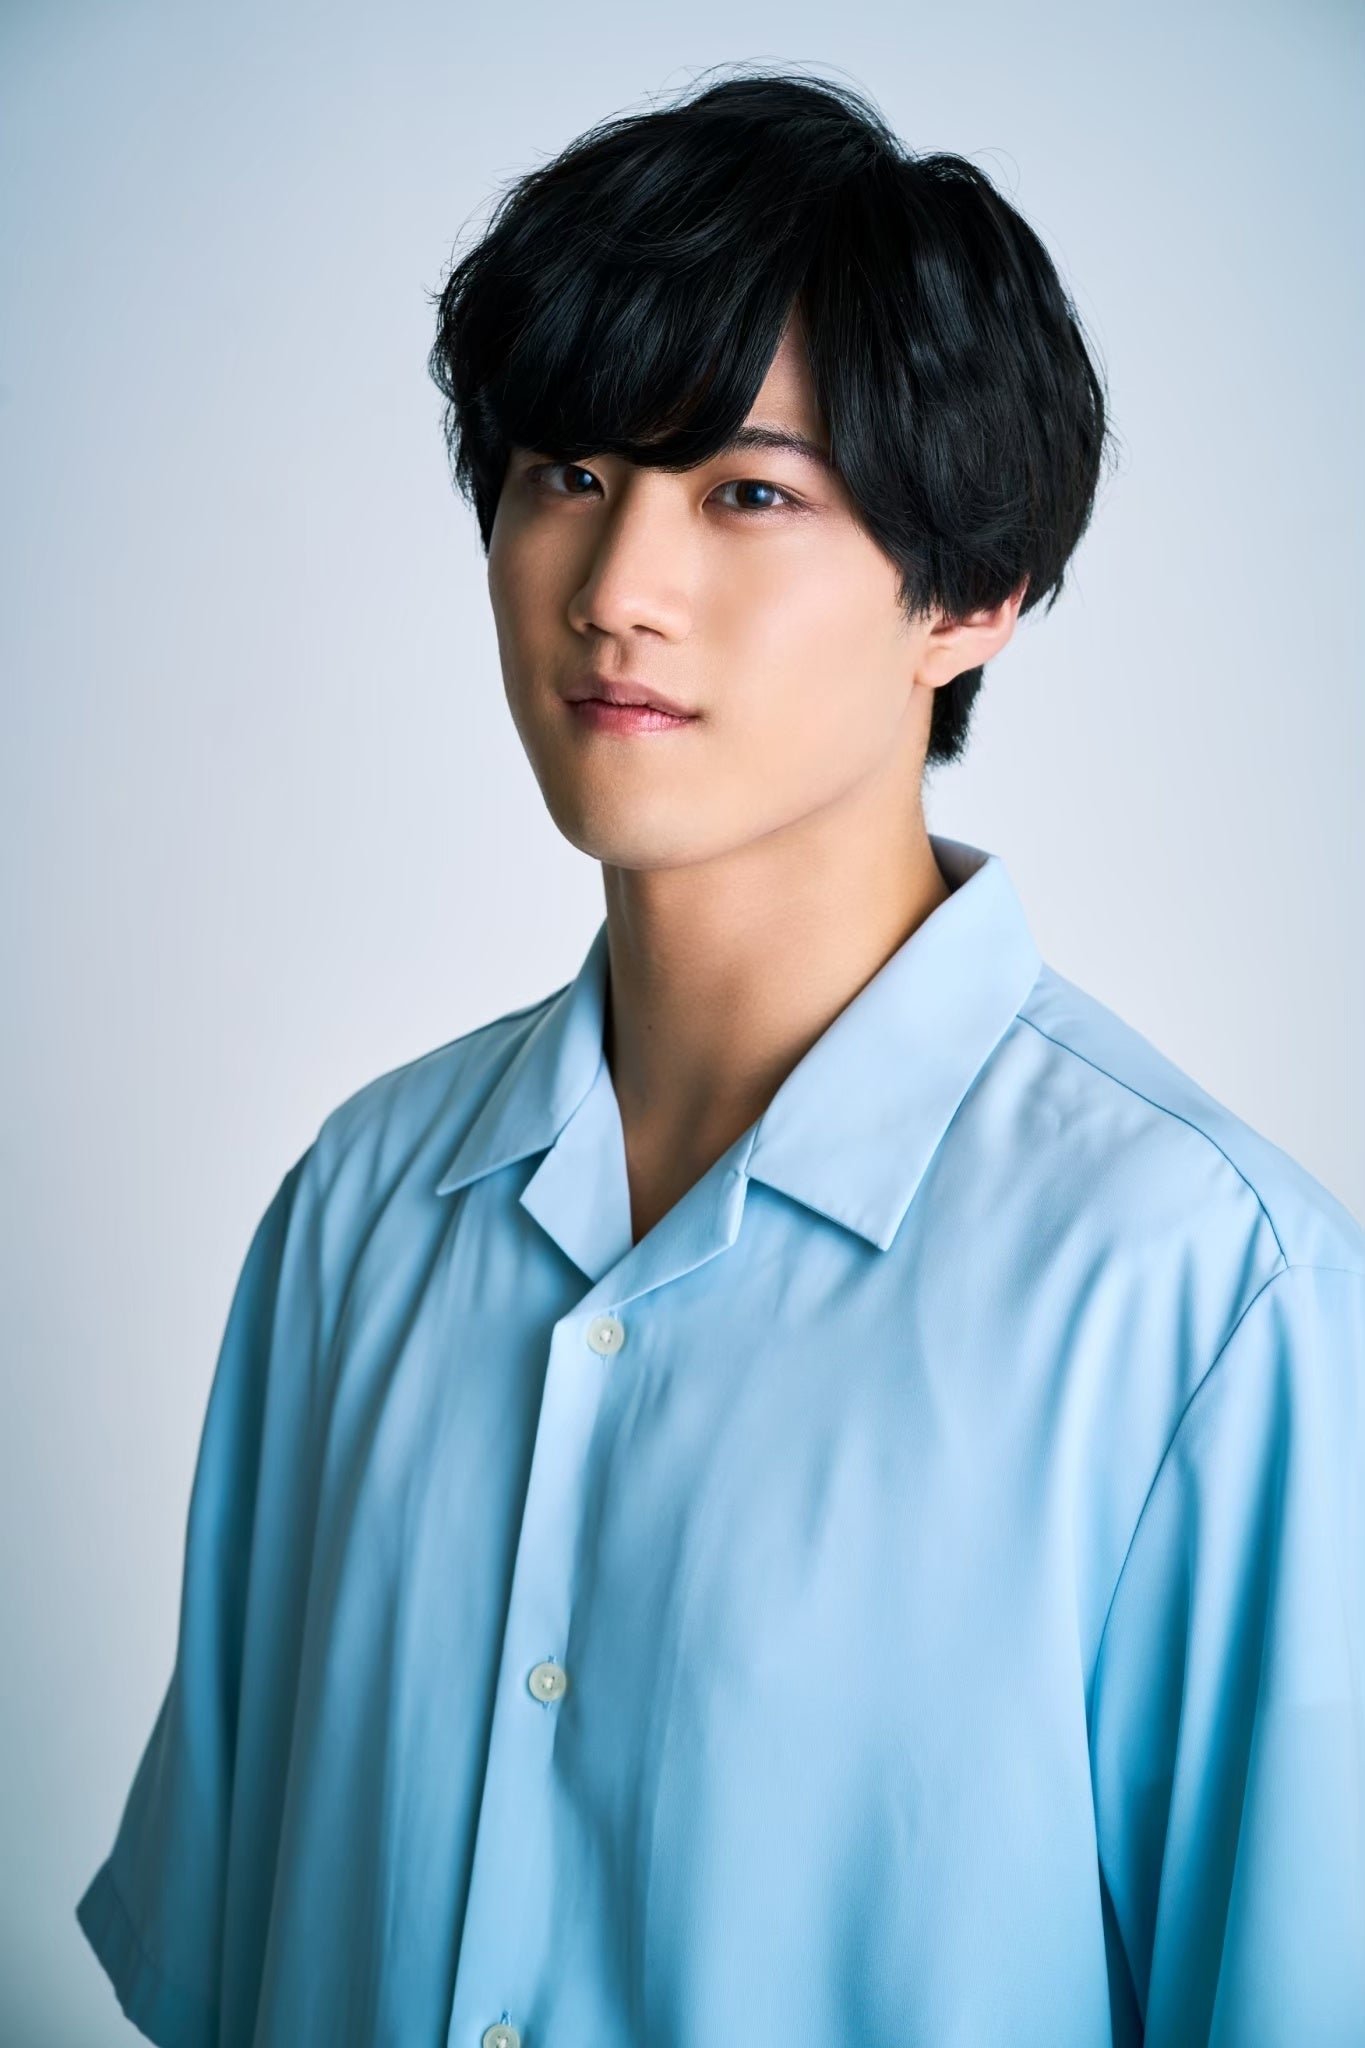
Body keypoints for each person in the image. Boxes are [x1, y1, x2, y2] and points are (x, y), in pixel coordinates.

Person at [76, 66, 1364, 2048]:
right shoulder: (357, 1210)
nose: (615, 591)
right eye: (563, 474)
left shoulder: (1196, 1300)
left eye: (746, 493)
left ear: (972, 593)